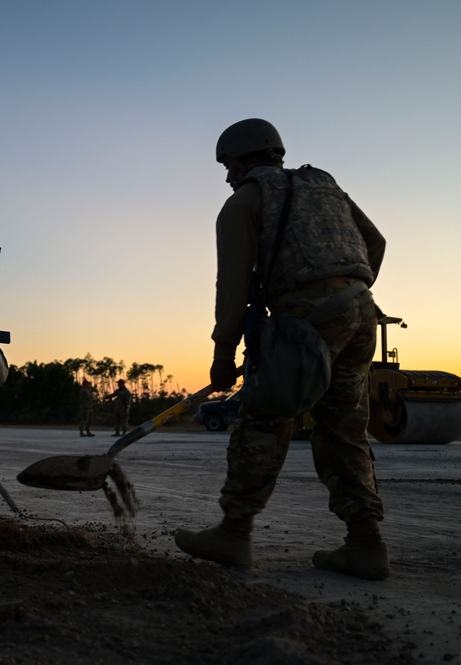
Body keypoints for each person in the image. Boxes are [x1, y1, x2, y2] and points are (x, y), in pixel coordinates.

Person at [175, 118, 389, 580]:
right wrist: (347, 285)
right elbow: (376, 242)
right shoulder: (324, 188)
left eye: (227, 163)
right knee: (344, 428)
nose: (226, 174)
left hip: (304, 318)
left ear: (242, 156)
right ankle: (366, 543)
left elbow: (231, 287)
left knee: (264, 419)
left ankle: (233, 533)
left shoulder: (244, 202)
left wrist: (222, 354)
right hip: (362, 312)